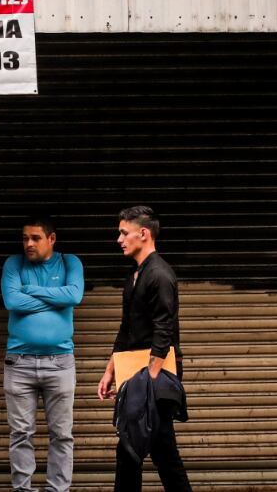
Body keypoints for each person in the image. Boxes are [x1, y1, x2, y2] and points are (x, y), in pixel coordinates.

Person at [96, 206, 190, 492]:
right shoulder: (135, 275)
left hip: (154, 376)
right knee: (134, 450)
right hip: (137, 374)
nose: (119, 239)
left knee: (156, 452)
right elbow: (127, 329)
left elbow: (164, 330)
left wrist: (149, 380)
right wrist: (110, 371)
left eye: (124, 233)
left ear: (143, 233)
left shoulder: (159, 274)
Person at [0, 215, 83, 492]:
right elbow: (12, 300)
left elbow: (73, 296)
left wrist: (31, 291)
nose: (28, 244)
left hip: (60, 364)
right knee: (21, 433)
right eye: (25, 238)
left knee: (62, 435)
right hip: (19, 363)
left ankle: (58, 490)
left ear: (51, 239)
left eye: (35, 238)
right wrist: (52, 299)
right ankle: (22, 490)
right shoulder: (13, 263)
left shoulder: (70, 262)